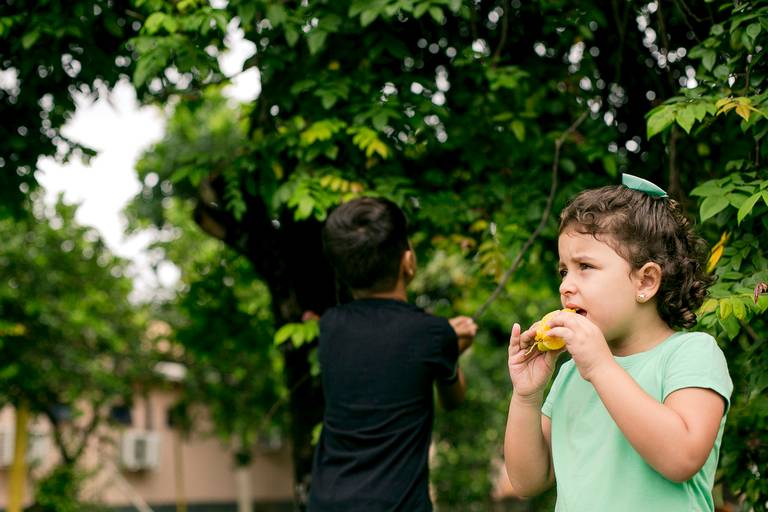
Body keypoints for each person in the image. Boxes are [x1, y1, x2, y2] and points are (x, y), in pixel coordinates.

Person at [504, 174, 733, 511]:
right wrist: (526, 395)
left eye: (585, 266)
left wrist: (600, 367)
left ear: (646, 281)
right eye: (564, 271)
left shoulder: (691, 353)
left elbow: (682, 458)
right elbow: (527, 481)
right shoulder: (571, 373)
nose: (565, 286)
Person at [308, 196, 477, 511]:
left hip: (327, 502)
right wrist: (451, 350)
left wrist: (442, 338)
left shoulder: (330, 326)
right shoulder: (433, 334)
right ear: (407, 261)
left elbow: (386, 347)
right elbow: (453, 399)